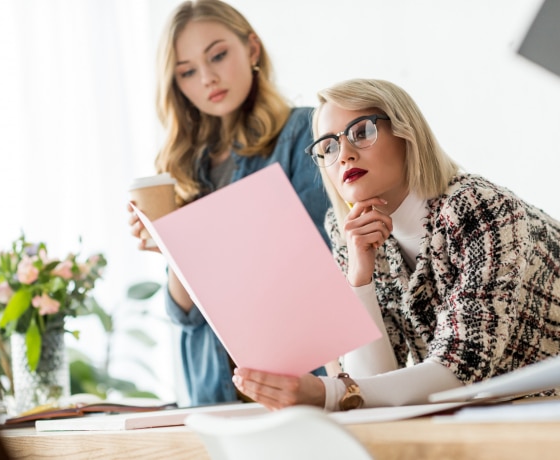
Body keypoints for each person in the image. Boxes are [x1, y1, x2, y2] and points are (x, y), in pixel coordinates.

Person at [232, 78, 560, 411]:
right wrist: (360, 277)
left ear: (407, 133)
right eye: (328, 147)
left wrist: (325, 392)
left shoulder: (479, 208)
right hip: (490, 422)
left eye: (361, 132)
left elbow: (462, 366)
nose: (344, 154)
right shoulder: (350, 234)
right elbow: (368, 390)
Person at [127, 0, 330, 406]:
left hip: (299, 381)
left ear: (251, 49)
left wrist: (206, 246)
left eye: (218, 55)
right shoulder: (184, 169)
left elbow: (322, 267)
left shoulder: (303, 134)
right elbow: (186, 315)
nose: (208, 78)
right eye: (187, 71)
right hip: (213, 394)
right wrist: (173, 247)